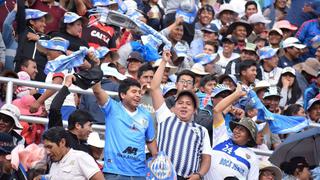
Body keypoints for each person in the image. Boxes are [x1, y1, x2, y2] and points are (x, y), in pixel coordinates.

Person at [150, 50, 211, 179]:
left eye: (189, 104)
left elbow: (206, 158)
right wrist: (164, 62)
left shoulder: (202, 131)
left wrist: (199, 175)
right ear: (174, 106)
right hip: (161, 176)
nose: (184, 106)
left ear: (195, 110)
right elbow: (155, 88)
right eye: (181, 103)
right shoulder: (165, 117)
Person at [92, 77, 157, 178]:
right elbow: (97, 90)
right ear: (123, 95)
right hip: (114, 172)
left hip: (139, 173)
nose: (138, 95)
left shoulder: (146, 115)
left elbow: (150, 140)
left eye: (139, 92)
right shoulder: (112, 108)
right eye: (134, 91)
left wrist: (156, 158)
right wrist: (95, 69)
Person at [205, 84, 259, 180]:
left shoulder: (253, 158)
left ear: (249, 137)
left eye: (241, 130)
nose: (236, 131)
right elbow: (217, 110)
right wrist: (236, 95)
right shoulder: (222, 137)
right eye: (236, 127)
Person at [36, 127, 104, 180]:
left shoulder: (80, 157)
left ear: (62, 142)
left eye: (50, 147)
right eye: (45, 148)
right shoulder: (54, 164)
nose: (47, 152)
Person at [48, 75, 93, 154]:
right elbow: (54, 108)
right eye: (89, 125)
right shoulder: (60, 137)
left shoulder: (86, 148)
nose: (91, 130)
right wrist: (66, 86)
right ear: (78, 125)